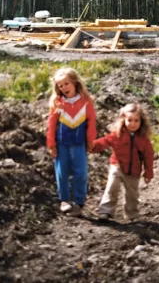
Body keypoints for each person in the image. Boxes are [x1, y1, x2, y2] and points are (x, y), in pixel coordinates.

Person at [90, 103, 154, 221]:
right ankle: (105, 211)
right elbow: (104, 142)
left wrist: (148, 172)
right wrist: (92, 146)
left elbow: (148, 156)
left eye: (136, 120)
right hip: (117, 166)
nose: (133, 123)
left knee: (132, 194)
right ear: (123, 119)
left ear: (141, 122)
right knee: (111, 188)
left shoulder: (143, 140)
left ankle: (132, 214)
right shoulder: (117, 135)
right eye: (129, 120)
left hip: (134, 170)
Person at [46, 67, 96, 217]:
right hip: (62, 144)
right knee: (62, 172)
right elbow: (51, 125)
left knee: (81, 173)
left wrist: (90, 140)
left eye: (66, 84)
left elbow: (92, 121)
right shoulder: (57, 103)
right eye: (60, 86)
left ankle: (79, 202)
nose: (63, 88)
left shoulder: (86, 102)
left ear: (75, 83)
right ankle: (65, 200)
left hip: (79, 143)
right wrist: (51, 145)